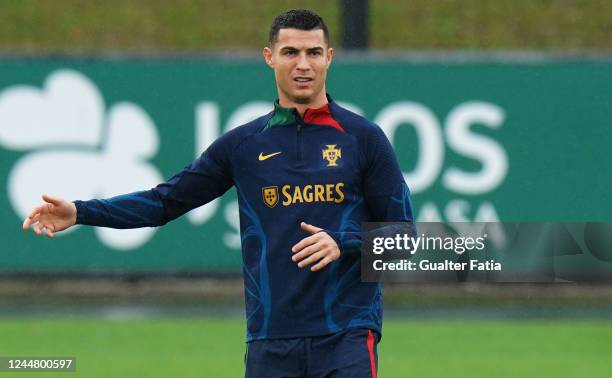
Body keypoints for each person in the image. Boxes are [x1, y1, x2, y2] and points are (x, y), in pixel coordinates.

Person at [22, 9, 413, 378]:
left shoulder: (364, 139)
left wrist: (342, 243)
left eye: (313, 53)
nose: (303, 64)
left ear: (329, 57)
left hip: (347, 333)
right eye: (290, 52)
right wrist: (81, 211)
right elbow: (164, 202)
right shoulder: (243, 145)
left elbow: (404, 236)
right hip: (270, 338)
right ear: (269, 57)